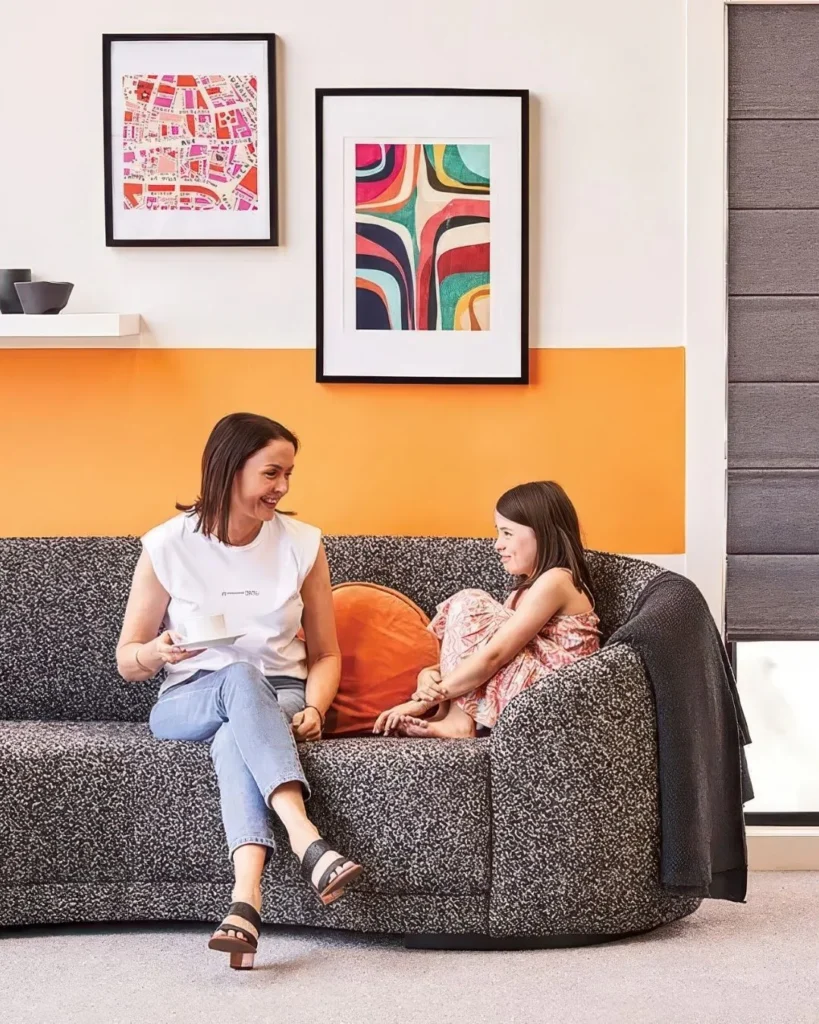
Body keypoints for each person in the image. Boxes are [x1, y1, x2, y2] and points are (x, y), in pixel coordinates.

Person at [117, 412, 361, 970]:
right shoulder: (167, 545)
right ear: (228, 471)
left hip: (280, 695)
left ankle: (245, 901)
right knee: (235, 677)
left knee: (236, 736)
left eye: (289, 475)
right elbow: (127, 660)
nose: (283, 488)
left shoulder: (302, 545)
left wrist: (318, 706)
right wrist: (157, 652)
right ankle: (306, 840)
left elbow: (325, 654)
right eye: (271, 473)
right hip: (187, 699)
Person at [374, 481, 601, 739]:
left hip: (558, 698)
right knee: (474, 618)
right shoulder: (522, 592)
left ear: (543, 532)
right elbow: (485, 651)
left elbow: (496, 656)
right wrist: (430, 676)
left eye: (507, 533)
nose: (497, 545)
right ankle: (446, 718)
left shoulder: (557, 581)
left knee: (470, 602)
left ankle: (458, 723)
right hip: (534, 689)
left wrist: (423, 702)